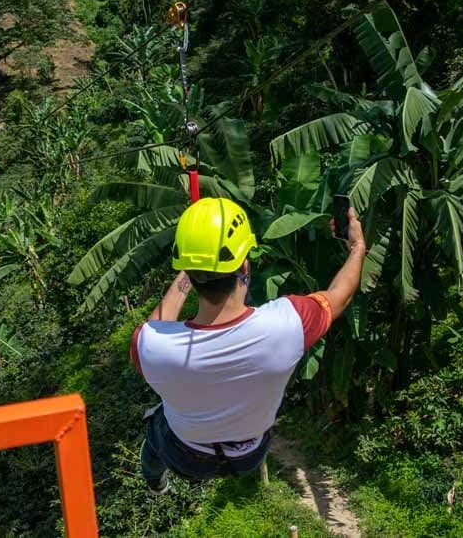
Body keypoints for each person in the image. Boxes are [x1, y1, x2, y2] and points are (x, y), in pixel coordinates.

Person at [130, 197, 366, 493]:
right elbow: (339, 296)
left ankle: (155, 480)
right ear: (244, 264)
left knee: (156, 424)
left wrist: (189, 273)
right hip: (249, 455)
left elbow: (153, 327)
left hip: (185, 456)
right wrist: (357, 249)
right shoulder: (286, 324)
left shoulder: (153, 346)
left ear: (188, 270)